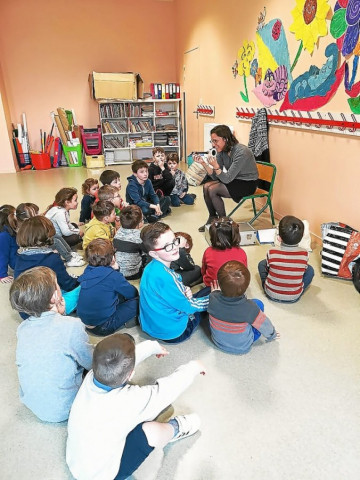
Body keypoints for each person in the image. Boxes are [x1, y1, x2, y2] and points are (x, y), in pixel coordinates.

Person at [66, 333, 206, 480]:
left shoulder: (91, 377)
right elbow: (165, 391)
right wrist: (193, 368)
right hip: (106, 475)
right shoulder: (131, 400)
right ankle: (177, 427)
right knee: (151, 431)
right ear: (131, 374)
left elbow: (117, 364)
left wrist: (152, 348)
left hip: (76, 463)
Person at [9, 266, 93, 422]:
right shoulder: (72, 326)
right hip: (66, 408)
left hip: (32, 402)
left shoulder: (22, 328)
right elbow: (91, 361)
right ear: (55, 295)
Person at [140, 222, 209, 343]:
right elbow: (189, 307)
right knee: (212, 294)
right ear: (154, 253)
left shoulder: (149, 268)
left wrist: (182, 290)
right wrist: (212, 300)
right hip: (174, 333)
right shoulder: (167, 277)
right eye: (167, 246)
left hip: (151, 326)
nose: (175, 247)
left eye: (175, 241)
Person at [194, 124, 258, 232]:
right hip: (234, 179)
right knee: (206, 186)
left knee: (212, 189)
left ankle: (224, 224)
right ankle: (212, 218)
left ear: (225, 139)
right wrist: (204, 164)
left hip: (248, 183)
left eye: (216, 141)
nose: (214, 144)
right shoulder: (222, 152)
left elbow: (226, 179)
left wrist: (217, 167)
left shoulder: (241, 152)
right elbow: (215, 176)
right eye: (212, 141)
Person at [14, 216, 80, 316]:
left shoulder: (20, 255)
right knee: (84, 286)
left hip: (25, 312)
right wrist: (80, 279)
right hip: (45, 312)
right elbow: (69, 285)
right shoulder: (51, 259)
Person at [208, 261, 279, 354]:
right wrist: (272, 334)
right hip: (243, 346)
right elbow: (265, 325)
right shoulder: (250, 308)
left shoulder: (212, 297)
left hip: (218, 342)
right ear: (246, 286)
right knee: (258, 303)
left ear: (220, 284)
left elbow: (216, 298)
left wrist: (214, 293)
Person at [77, 238, 139, 336]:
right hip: (103, 327)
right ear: (112, 258)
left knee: (112, 292)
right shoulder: (113, 276)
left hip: (84, 322)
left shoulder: (88, 270)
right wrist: (117, 270)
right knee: (139, 301)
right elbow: (132, 293)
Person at [258, 215, 314, 302]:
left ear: (279, 238)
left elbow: (268, 267)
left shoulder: (272, 252)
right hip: (294, 297)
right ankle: (296, 289)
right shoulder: (304, 254)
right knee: (310, 270)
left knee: (262, 264)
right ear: (302, 236)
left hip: (271, 294)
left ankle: (269, 286)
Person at [9, 202, 84, 267]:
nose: (39, 214)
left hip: (39, 245)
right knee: (55, 241)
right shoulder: (25, 229)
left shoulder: (29, 225)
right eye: (36, 213)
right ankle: (69, 259)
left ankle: (69, 253)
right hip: (36, 249)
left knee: (56, 236)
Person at [200, 217, 247, 296]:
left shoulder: (208, 251)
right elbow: (244, 274)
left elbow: (203, 271)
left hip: (212, 287)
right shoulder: (241, 252)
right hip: (235, 289)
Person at [113, 205, 146, 280]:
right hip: (134, 273)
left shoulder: (118, 232)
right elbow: (146, 252)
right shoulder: (139, 236)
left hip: (118, 271)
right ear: (140, 223)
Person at [0, 204, 17, 283]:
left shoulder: (9, 229)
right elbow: (2, 255)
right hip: (13, 265)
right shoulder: (4, 234)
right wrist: (2, 275)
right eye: (15, 214)